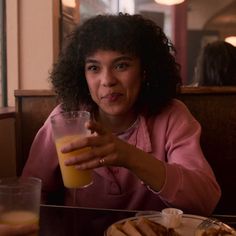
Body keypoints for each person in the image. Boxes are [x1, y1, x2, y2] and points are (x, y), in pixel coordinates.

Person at [22, 13, 221, 216]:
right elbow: (30, 193)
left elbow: (205, 201)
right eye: (93, 68)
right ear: (82, 76)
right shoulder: (66, 118)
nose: (107, 80)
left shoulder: (171, 116)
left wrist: (129, 156)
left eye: (121, 65)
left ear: (145, 71)